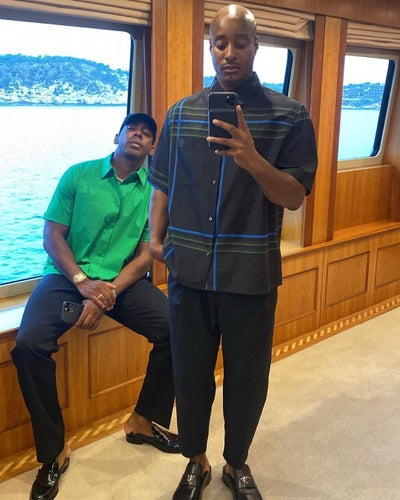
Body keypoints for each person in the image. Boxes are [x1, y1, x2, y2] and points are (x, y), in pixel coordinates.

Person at [148, 4, 318, 500]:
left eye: (240, 42)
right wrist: (156, 242)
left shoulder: (289, 115)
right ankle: (195, 460)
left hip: (250, 276)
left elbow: (294, 196)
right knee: (189, 375)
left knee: (248, 379)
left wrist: (252, 159)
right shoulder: (182, 113)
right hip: (188, 272)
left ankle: (236, 462)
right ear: (210, 47)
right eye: (220, 43)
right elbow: (163, 184)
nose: (229, 52)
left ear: (255, 46)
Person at [11, 112, 180, 500]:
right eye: (132, 129)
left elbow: (145, 255)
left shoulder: (155, 191)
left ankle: (142, 422)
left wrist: (109, 292)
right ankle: (54, 451)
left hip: (121, 282)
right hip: (66, 277)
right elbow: (52, 236)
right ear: (117, 136)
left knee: (177, 329)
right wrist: (82, 282)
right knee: (29, 345)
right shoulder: (78, 175)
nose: (139, 136)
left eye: (147, 134)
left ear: (153, 147)